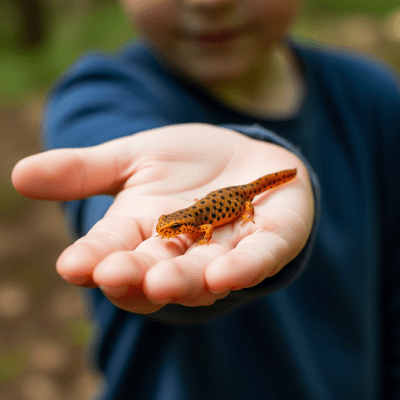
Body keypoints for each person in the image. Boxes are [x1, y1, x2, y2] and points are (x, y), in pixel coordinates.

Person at [11, 0, 400, 399]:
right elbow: (151, 253)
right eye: (171, 228)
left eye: (173, 228)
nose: (208, 2)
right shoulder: (95, 96)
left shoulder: (376, 100)